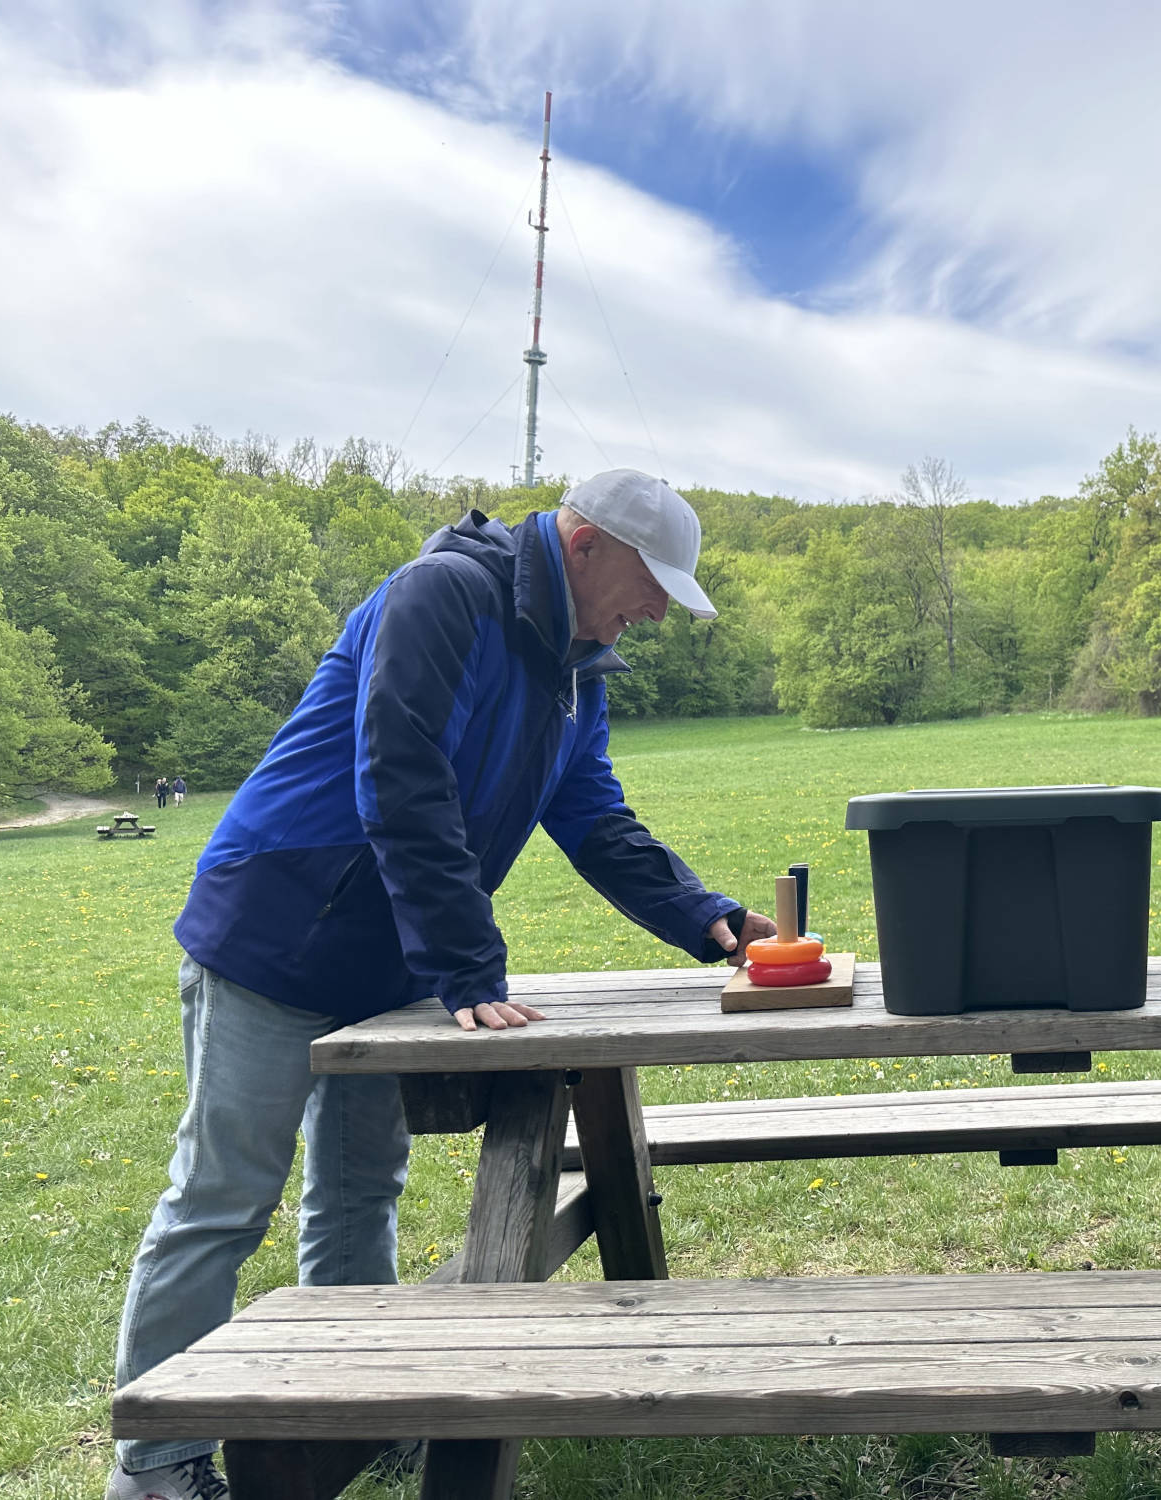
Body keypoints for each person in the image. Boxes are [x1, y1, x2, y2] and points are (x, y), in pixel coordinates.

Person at [107, 470, 775, 1500]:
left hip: (390, 957)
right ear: (585, 544)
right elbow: (400, 772)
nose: (653, 613)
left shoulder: (576, 670)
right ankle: (156, 1463)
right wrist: (466, 965)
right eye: (649, 586)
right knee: (222, 1199)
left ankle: (360, 1408)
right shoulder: (444, 594)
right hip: (277, 930)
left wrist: (701, 914)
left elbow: (593, 813)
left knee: (359, 1190)